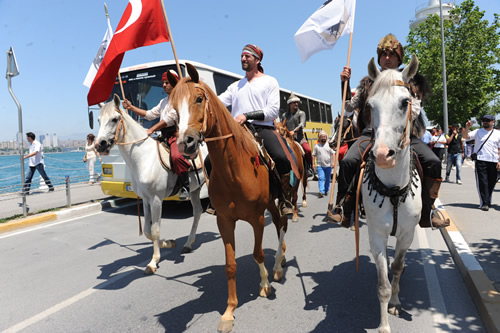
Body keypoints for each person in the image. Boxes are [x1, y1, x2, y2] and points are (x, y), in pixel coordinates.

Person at [327, 33, 449, 229]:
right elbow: (349, 107)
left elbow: (415, 110)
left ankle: (428, 211)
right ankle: (344, 209)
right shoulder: (368, 82)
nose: (387, 58)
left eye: (391, 54)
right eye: (383, 54)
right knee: (349, 161)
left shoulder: (411, 81)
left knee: (434, 162)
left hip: (404, 135)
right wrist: (345, 84)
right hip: (371, 134)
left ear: (399, 58)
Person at [218, 44, 293, 215]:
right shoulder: (236, 86)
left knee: (281, 158)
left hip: (262, 128)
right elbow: (219, 102)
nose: (243, 59)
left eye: (247, 56)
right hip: (237, 131)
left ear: (257, 60)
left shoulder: (270, 81)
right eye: (242, 56)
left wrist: (247, 115)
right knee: (210, 161)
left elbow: (273, 110)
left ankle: (284, 198)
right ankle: (218, 199)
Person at [122, 69, 191, 200]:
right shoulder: (163, 102)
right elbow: (149, 115)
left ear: (174, 83)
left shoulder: (180, 100)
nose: (164, 85)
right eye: (163, 83)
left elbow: (169, 119)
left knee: (176, 156)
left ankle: (185, 187)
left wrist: (151, 130)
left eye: (167, 82)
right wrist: (131, 108)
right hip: (163, 136)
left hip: (176, 135)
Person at [462, 115, 500, 211]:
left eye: (487, 120)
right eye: (483, 120)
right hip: (481, 160)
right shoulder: (478, 131)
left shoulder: (498, 133)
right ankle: (484, 203)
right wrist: (467, 128)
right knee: (483, 182)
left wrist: (499, 160)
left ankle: (488, 199)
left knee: (492, 182)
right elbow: (465, 137)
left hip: (494, 161)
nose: (485, 122)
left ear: (493, 122)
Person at [282, 92, 314, 178]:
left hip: (299, 138)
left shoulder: (301, 113)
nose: (296, 104)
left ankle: (309, 168)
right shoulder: (284, 115)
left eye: (297, 102)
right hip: (287, 138)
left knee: (308, 150)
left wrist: (294, 131)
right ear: (289, 104)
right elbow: (282, 125)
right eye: (294, 102)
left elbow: (302, 124)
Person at [313, 131, 335, 198]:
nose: (323, 138)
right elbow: (313, 155)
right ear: (319, 138)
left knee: (327, 179)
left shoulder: (329, 145)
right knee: (321, 178)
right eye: (322, 137)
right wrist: (313, 163)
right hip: (320, 166)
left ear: (326, 137)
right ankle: (321, 191)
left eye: (324, 137)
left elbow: (333, 154)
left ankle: (326, 189)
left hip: (328, 166)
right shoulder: (317, 146)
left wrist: (333, 162)